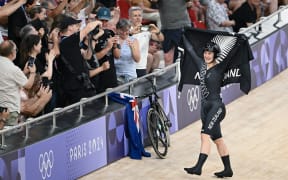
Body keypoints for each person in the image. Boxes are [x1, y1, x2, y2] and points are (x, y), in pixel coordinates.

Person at [183, 42, 233, 178]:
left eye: (210, 53)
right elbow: (190, 49)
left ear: (215, 55)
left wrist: (240, 40)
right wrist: (184, 33)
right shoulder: (201, 65)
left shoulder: (220, 68)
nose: (207, 55)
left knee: (204, 135)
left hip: (216, 107)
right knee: (218, 139)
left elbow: (232, 54)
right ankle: (228, 169)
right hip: (205, 108)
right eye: (205, 52)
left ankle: (198, 167)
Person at [0, 40, 36, 126]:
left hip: (3, 107)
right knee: (9, 138)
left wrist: (23, 72)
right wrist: (32, 73)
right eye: (16, 50)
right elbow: (28, 85)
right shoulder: (13, 69)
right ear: (12, 53)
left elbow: (9, 79)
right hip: (9, 110)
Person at [128, 6, 164, 77]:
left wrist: (158, 32)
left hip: (142, 66)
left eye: (139, 15)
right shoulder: (127, 30)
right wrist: (130, 33)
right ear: (130, 17)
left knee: (141, 85)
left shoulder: (146, 30)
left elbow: (161, 39)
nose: (138, 18)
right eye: (135, 16)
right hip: (130, 67)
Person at [155, 0, 191, 65]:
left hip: (183, 25)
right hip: (167, 27)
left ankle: (182, 74)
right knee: (168, 57)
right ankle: (169, 75)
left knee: (182, 56)